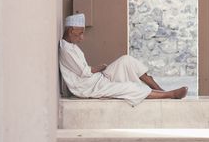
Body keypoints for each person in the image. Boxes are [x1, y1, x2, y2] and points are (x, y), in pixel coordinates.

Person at [59, 13, 188, 106]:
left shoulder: (72, 46)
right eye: (80, 33)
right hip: (89, 87)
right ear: (71, 30)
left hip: (97, 79)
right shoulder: (66, 50)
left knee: (126, 60)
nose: (82, 37)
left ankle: (160, 90)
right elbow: (85, 72)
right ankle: (170, 95)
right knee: (129, 87)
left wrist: (101, 70)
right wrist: (101, 67)